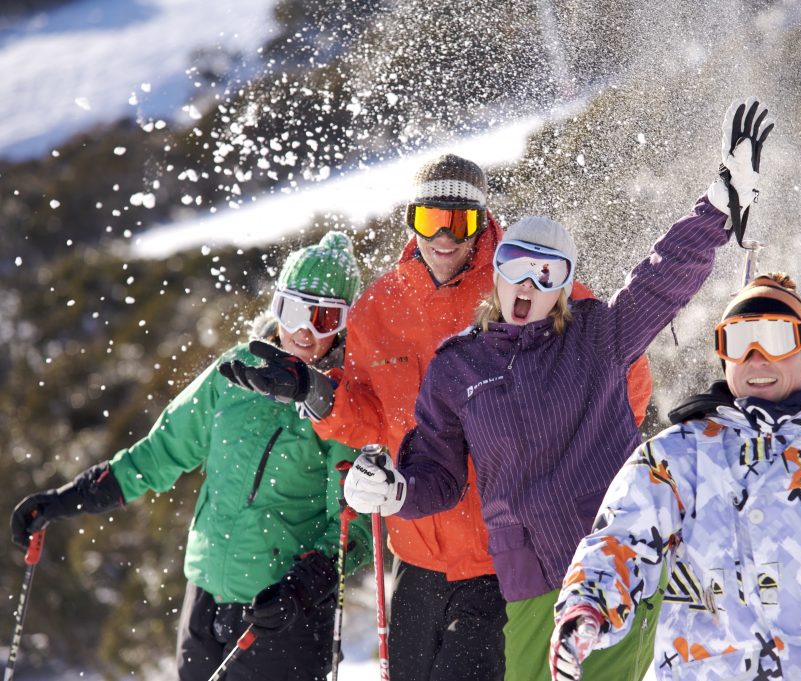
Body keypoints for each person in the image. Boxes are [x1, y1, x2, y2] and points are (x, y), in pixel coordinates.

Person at [341, 97, 774, 681]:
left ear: (567, 287)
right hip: (525, 583)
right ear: (495, 274)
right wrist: (394, 492)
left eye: (548, 274)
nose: (529, 283)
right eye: (517, 266)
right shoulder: (458, 367)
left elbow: (662, 275)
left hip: (611, 567)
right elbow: (436, 477)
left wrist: (719, 205)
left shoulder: (598, 336)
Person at [219, 153, 654, 681]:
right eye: (430, 220)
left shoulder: (521, 281)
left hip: (506, 560)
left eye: (461, 222)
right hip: (417, 548)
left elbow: (623, 372)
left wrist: (576, 460)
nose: (444, 237)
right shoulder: (380, 306)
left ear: (480, 222)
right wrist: (312, 391)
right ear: (411, 219)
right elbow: (368, 415)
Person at [549, 272, 801, 681]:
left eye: (776, 339)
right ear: (723, 355)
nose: (757, 358)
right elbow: (618, 542)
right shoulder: (677, 458)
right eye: (740, 342)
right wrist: (585, 609)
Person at [10, 232, 372, 681]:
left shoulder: (347, 406)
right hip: (205, 600)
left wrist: (307, 584)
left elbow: (359, 522)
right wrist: (67, 499)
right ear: (275, 307)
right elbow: (161, 452)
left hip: (281, 617)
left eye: (323, 318)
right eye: (294, 311)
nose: (304, 331)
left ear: (344, 324)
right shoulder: (234, 374)